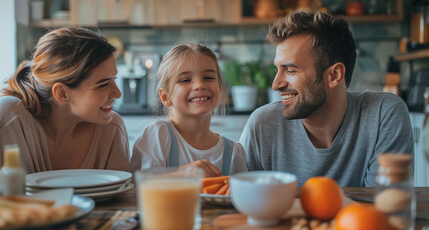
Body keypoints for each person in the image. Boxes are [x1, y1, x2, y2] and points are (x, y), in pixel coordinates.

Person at [239, 11, 413, 187]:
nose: (275, 84)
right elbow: (238, 200)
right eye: (277, 70)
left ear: (334, 75)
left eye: (290, 70)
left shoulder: (384, 115)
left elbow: (384, 205)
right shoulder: (262, 125)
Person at [0, 27, 130, 173]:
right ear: (62, 93)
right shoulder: (8, 119)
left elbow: (123, 194)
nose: (118, 93)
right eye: (103, 84)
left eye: (114, 79)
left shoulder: (111, 129)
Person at [130, 43, 247, 177]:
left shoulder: (234, 153)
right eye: (185, 80)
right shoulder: (158, 136)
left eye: (208, 78)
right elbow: (138, 189)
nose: (199, 85)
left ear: (220, 90)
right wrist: (183, 175)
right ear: (165, 97)